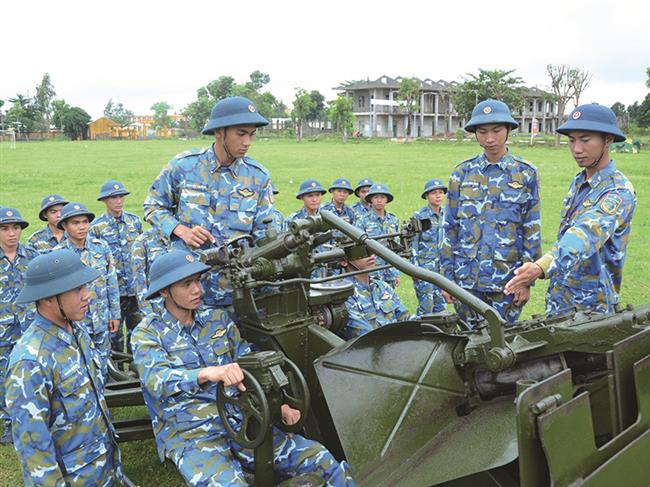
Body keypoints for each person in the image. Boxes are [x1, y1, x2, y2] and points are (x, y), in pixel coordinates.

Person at [130, 250, 355, 486]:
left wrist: (281, 405)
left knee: (320, 459)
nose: (197, 290)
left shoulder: (216, 318)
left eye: (197, 280)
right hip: (193, 435)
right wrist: (207, 373)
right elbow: (157, 381)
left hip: (241, 421)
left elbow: (249, 364)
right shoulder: (147, 334)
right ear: (164, 291)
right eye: (186, 284)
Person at [4, 249, 126, 486]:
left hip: (102, 468)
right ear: (48, 297)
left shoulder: (75, 332)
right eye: (77, 289)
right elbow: (34, 450)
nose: (87, 295)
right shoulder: (30, 361)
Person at [505, 103, 637, 316]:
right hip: (561, 302)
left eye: (585, 140)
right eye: (572, 140)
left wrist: (541, 266)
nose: (576, 149)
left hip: (592, 312)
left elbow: (585, 233)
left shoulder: (618, 191)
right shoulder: (580, 181)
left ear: (608, 139)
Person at [143, 96, 273, 310]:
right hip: (187, 289)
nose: (247, 142)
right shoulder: (184, 167)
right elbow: (152, 205)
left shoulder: (258, 177)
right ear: (219, 132)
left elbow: (264, 232)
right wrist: (180, 230)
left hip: (235, 292)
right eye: (240, 134)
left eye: (251, 134)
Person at [440, 99, 541, 326]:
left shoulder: (526, 174)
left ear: (508, 131)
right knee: (467, 346)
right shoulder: (461, 173)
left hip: (507, 281)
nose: (490, 139)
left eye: (496, 131)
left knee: (504, 348)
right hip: (466, 281)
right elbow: (449, 228)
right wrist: (447, 279)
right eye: (482, 131)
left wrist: (526, 281)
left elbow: (531, 229)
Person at [54, 202, 120, 378]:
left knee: (103, 361)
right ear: (64, 226)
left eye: (85, 221)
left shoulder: (102, 247)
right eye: (76, 223)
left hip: (101, 319)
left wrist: (115, 314)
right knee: (77, 366)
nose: (82, 227)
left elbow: (111, 282)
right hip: (75, 322)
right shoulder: (57, 254)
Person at [0, 207, 39, 445]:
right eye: (5, 229)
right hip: (2, 331)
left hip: (29, 328)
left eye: (15, 228)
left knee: (31, 373)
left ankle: (34, 418)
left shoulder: (33, 257)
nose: (12, 234)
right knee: (4, 376)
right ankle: (8, 422)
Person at [90, 180, 143, 352]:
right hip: (113, 293)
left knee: (138, 332)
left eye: (121, 197)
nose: (119, 201)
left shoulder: (134, 222)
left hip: (134, 290)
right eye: (113, 198)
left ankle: (137, 369)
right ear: (104, 200)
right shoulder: (96, 227)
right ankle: (118, 371)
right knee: (114, 336)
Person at [339, 254, 414, 340]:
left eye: (371, 250)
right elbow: (365, 337)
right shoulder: (344, 296)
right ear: (344, 261)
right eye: (362, 251)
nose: (371, 255)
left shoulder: (382, 286)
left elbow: (406, 318)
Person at [411, 179, 447, 316]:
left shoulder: (447, 215)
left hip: (441, 270)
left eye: (440, 193)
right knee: (426, 308)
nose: (438, 196)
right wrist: (415, 270)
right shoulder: (420, 217)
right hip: (425, 270)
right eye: (433, 193)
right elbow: (413, 244)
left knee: (441, 308)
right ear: (426, 196)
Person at [356, 183, 401, 286]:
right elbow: (358, 249)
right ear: (371, 199)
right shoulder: (362, 221)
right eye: (376, 197)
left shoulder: (393, 220)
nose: (379, 200)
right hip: (371, 271)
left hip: (389, 270)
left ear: (387, 200)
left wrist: (396, 273)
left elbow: (397, 248)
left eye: (382, 197)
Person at [131, 224, 170, 317]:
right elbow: (139, 282)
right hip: (158, 309)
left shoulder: (186, 238)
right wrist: (147, 312)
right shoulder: (142, 242)